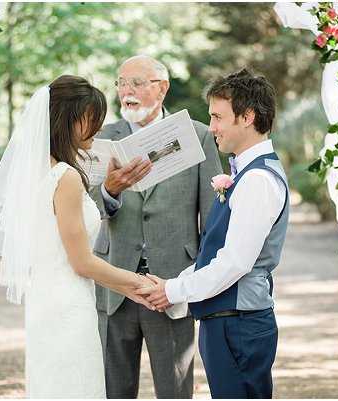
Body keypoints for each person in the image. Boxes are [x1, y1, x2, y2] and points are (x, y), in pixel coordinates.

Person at [0, 75, 155, 398]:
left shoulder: (34, 174)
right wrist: (139, 282)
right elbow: (81, 262)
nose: (97, 126)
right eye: (92, 118)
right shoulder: (65, 178)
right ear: (69, 119)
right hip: (68, 306)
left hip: (44, 300)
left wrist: (128, 290)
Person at [139, 68, 289, 398]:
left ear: (247, 117)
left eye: (218, 117)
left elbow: (234, 262)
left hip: (238, 324)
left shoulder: (257, 181)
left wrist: (174, 290)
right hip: (226, 321)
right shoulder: (246, 174)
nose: (212, 128)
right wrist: (172, 286)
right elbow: (216, 253)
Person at [90, 55, 223, 398]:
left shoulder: (198, 136)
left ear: (162, 88)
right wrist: (110, 191)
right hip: (114, 282)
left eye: (136, 83)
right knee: (112, 389)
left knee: (175, 390)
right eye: (121, 83)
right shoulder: (101, 138)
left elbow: (212, 221)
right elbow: (83, 210)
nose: (126, 92)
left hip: (172, 284)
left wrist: (196, 281)